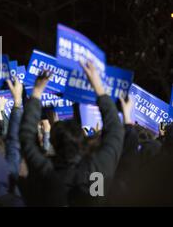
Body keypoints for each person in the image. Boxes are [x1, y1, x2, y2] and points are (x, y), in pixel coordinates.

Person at [19, 62, 124, 206]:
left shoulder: (45, 171)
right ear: (82, 140)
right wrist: (98, 88)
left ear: (54, 143)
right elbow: (116, 130)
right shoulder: (97, 169)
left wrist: (36, 92)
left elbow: (26, 138)